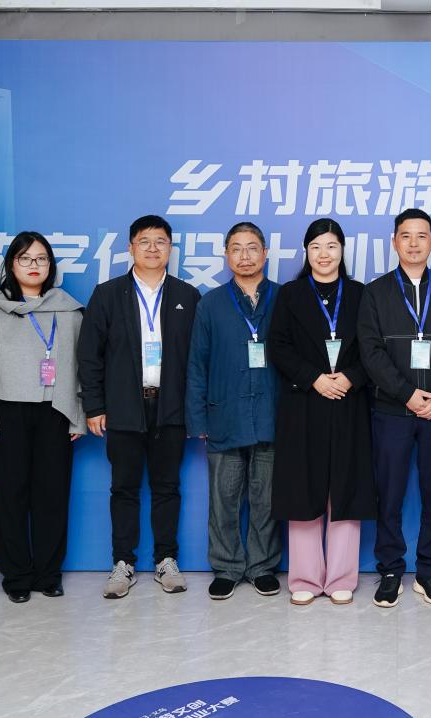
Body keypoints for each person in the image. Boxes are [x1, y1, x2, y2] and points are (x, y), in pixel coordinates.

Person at [77, 215, 200, 599]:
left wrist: (196, 411)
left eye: (160, 241)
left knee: (167, 487)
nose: (152, 248)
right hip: (124, 407)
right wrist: (95, 406)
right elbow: (89, 356)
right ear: (130, 247)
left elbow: (198, 360)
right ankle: (123, 563)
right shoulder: (108, 294)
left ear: (170, 249)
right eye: (144, 241)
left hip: (171, 407)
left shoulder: (187, 296)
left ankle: (166, 560)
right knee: (124, 488)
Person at [358, 208, 431, 608]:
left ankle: (428, 571)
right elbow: (371, 353)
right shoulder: (376, 292)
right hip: (392, 411)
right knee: (389, 494)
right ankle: (390, 569)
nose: (414, 243)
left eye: (422, 236)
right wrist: (406, 394)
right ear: (394, 242)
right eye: (405, 236)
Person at [0, 231, 86, 603]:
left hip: (56, 411)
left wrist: (78, 416)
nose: (34, 266)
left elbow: (81, 368)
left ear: (51, 266)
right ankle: (16, 574)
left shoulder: (69, 310)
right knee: (9, 495)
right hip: (7, 411)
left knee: (53, 495)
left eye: (41, 259)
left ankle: (49, 574)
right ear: (11, 264)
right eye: (25, 258)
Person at [269, 219, 375, 605]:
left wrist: (350, 377)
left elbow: (374, 347)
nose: (324, 254)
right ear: (306, 252)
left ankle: (342, 576)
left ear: (342, 250)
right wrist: (313, 378)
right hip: (304, 402)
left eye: (331, 246)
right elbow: (278, 346)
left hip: (349, 401)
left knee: (346, 486)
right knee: (304, 486)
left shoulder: (361, 294)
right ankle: (305, 578)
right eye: (315, 247)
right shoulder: (290, 295)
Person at [186, 222, 282, 601]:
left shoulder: (284, 298)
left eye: (252, 248)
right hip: (224, 414)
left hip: (272, 412)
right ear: (226, 255)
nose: (245, 256)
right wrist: (198, 418)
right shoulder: (210, 304)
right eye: (237, 249)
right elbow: (197, 364)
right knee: (223, 498)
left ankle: (262, 567)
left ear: (265, 253)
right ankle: (226, 567)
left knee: (266, 499)